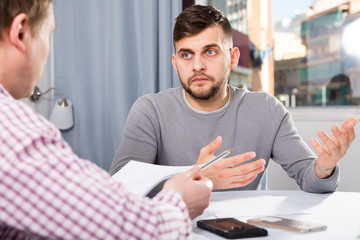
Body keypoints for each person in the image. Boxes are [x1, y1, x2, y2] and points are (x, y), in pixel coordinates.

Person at [0, 1, 212, 239]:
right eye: (48, 35)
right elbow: (138, 229)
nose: (198, 66)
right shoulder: (13, 133)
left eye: (210, 52)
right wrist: (179, 199)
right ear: (20, 32)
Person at [110, 5, 357, 193]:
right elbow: (120, 190)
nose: (197, 65)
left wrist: (324, 167)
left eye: (210, 51)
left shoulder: (266, 109)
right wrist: (196, 178)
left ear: (233, 57)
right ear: (175, 63)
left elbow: (310, 179)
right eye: (186, 54)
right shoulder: (150, 110)